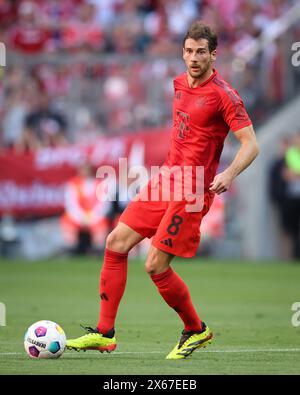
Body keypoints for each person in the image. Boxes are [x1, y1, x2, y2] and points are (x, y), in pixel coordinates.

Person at [67, 21, 259, 359]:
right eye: (189, 51)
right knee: (115, 242)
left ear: (214, 54)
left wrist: (228, 174)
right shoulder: (179, 84)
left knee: (155, 265)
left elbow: (251, 145)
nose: (194, 57)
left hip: (193, 190)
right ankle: (104, 333)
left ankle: (196, 330)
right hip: (166, 180)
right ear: (182, 53)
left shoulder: (224, 95)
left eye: (202, 52)